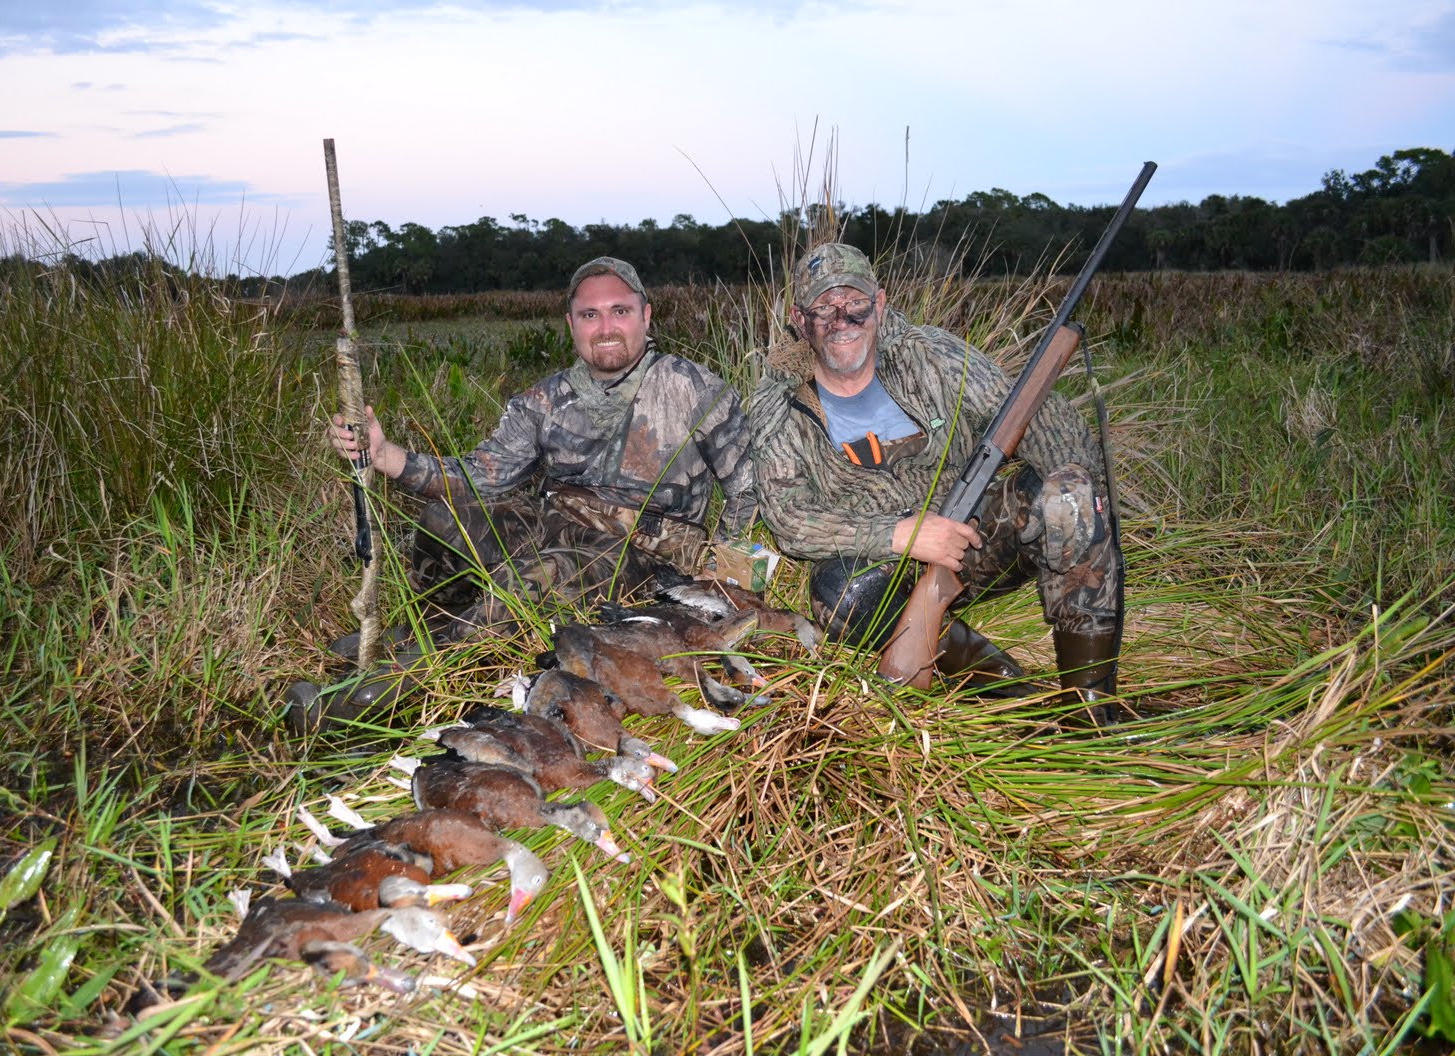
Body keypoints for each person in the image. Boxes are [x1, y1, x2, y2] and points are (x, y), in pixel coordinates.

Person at [746, 242, 1122, 716]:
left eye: (855, 302)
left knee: (1068, 491)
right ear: (801, 321)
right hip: (884, 567)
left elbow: (1036, 417)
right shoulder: (779, 406)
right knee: (839, 593)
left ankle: (1090, 710)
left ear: (879, 304)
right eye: (824, 308)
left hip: (976, 538)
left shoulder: (931, 355)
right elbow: (790, 519)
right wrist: (902, 535)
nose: (842, 320)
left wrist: (1082, 503)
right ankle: (1013, 693)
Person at [330, 255, 757, 643]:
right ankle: (432, 627)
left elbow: (746, 487)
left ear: (645, 316)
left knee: (533, 581)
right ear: (571, 324)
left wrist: (719, 574)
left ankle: (410, 675)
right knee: (442, 521)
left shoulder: (695, 389)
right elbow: (479, 476)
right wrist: (384, 455)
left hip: (643, 557)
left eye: (620, 311)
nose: (606, 328)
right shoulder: (544, 399)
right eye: (590, 315)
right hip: (553, 525)